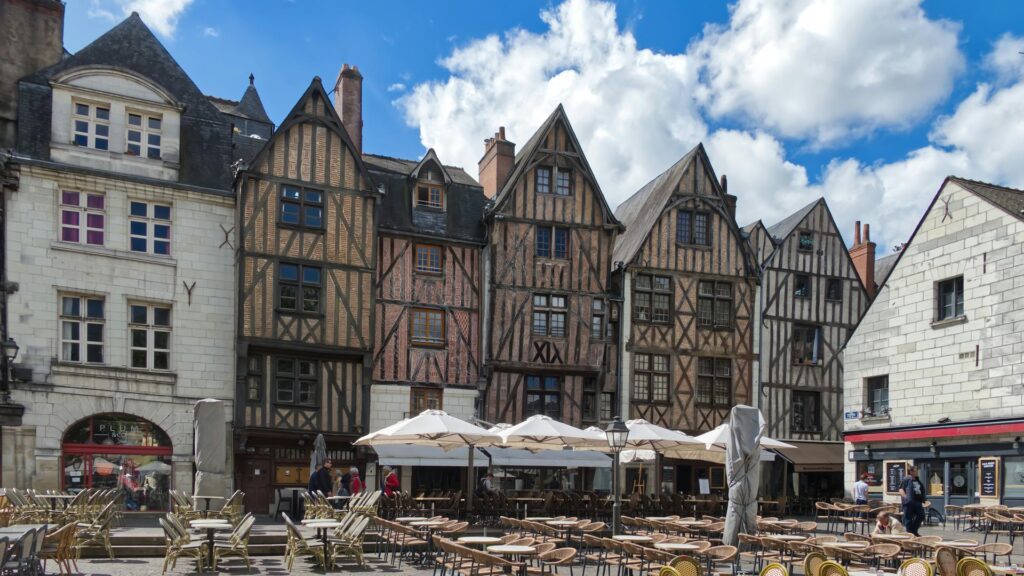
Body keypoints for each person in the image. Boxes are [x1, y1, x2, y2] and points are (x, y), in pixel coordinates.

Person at [899, 466, 927, 536]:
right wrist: (906, 498)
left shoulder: (917, 480)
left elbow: (921, 490)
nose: (917, 472)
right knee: (908, 518)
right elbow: (901, 489)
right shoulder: (906, 479)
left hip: (918, 501)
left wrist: (924, 500)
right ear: (911, 472)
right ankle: (910, 534)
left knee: (921, 516)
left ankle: (913, 531)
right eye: (915, 470)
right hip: (909, 502)